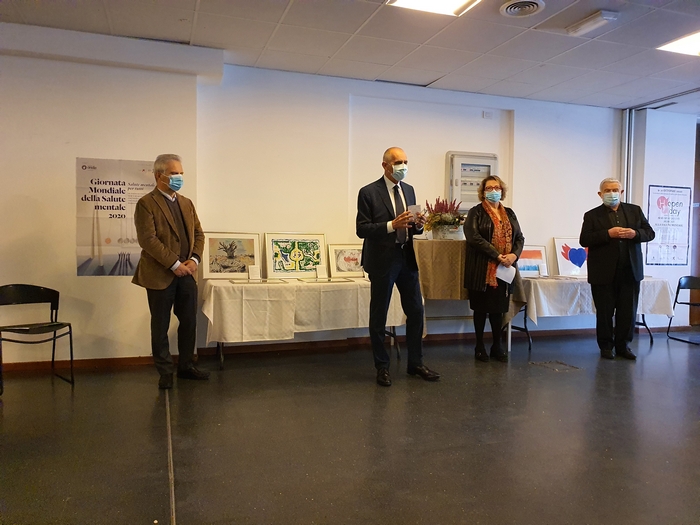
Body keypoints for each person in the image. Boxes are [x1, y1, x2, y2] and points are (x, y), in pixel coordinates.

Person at [356, 147, 440, 387]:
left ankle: (416, 363)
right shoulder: (368, 192)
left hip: (406, 257)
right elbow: (362, 229)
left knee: (416, 311)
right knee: (379, 315)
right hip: (382, 260)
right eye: (397, 162)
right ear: (385, 166)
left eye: (405, 162)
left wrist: (419, 224)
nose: (403, 166)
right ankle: (382, 366)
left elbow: (412, 227)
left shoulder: (409, 190)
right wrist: (391, 225)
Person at [133, 154, 210, 389]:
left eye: (181, 174)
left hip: (187, 273)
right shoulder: (146, 203)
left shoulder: (186, 203)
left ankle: (186, 366)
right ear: (159, 176)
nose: (179, 178)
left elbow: (199, 234)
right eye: (174, 174)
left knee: (189, 322)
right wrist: (175, 265)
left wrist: (194, 259)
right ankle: (165, 372)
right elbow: (148, 239)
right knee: (160, 325)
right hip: (160, 275)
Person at [579, 178, 655, 360]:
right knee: (605, 312)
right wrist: (607, 234)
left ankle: (623, 346)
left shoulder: (635, 210)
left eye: (615, 190)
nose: (611, 193)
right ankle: (606, 346)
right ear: (600, 194)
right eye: (607, 190)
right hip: (603, 273)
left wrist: (635, 233)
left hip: (630, 270)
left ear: (621, 192)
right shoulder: (592, 215)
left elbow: (650, 233)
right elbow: (584, 240)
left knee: (627, 311)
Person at [463, 175, 524, 363]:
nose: (493, 191)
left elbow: (519, 238)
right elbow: (473, 237)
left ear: (502, 191)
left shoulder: (510, 213)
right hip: (481, 269)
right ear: (483, 192)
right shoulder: (476, 212)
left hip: (505, 270)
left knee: (498, 310)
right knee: (481, 310)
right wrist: (497, 255)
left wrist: (514, 255)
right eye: (489, 188)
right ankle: (479, 346)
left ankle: (497, 345)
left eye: (497, 188)